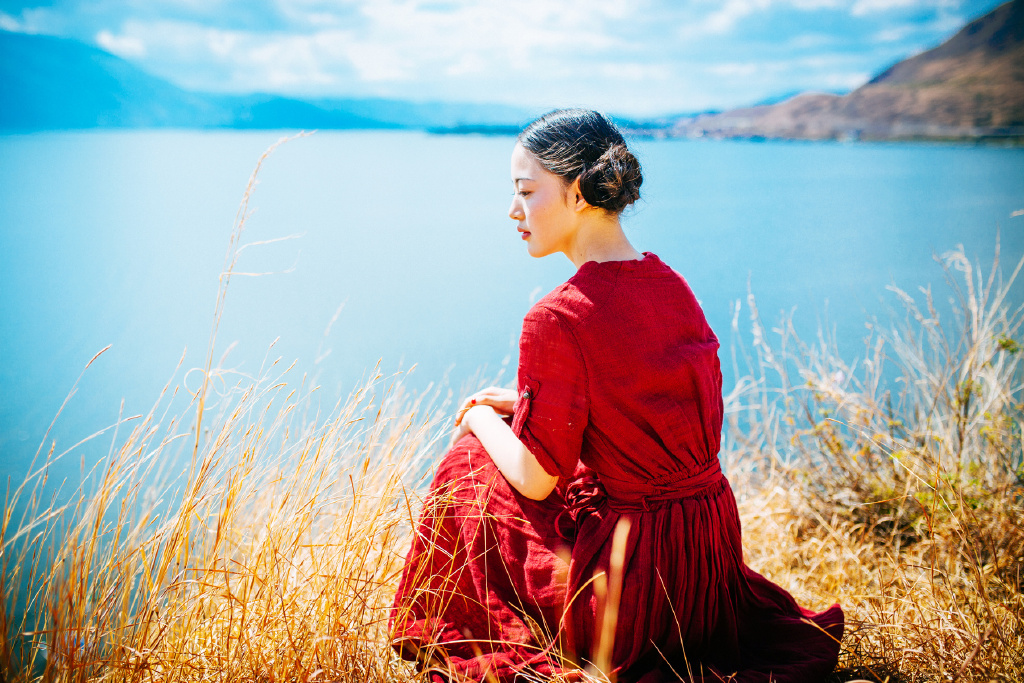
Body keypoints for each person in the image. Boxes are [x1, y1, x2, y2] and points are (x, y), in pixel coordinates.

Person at [390, 109, 844, 682]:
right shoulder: (671, 285)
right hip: (705, 569)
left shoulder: (556, 317)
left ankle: (462, 627)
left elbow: (536, 479)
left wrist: (480, 416)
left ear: (577, 194)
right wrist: (519, 400)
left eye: (526, 192)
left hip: (630, 593)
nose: (513, 211)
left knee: (469, 463)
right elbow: (636, 402)